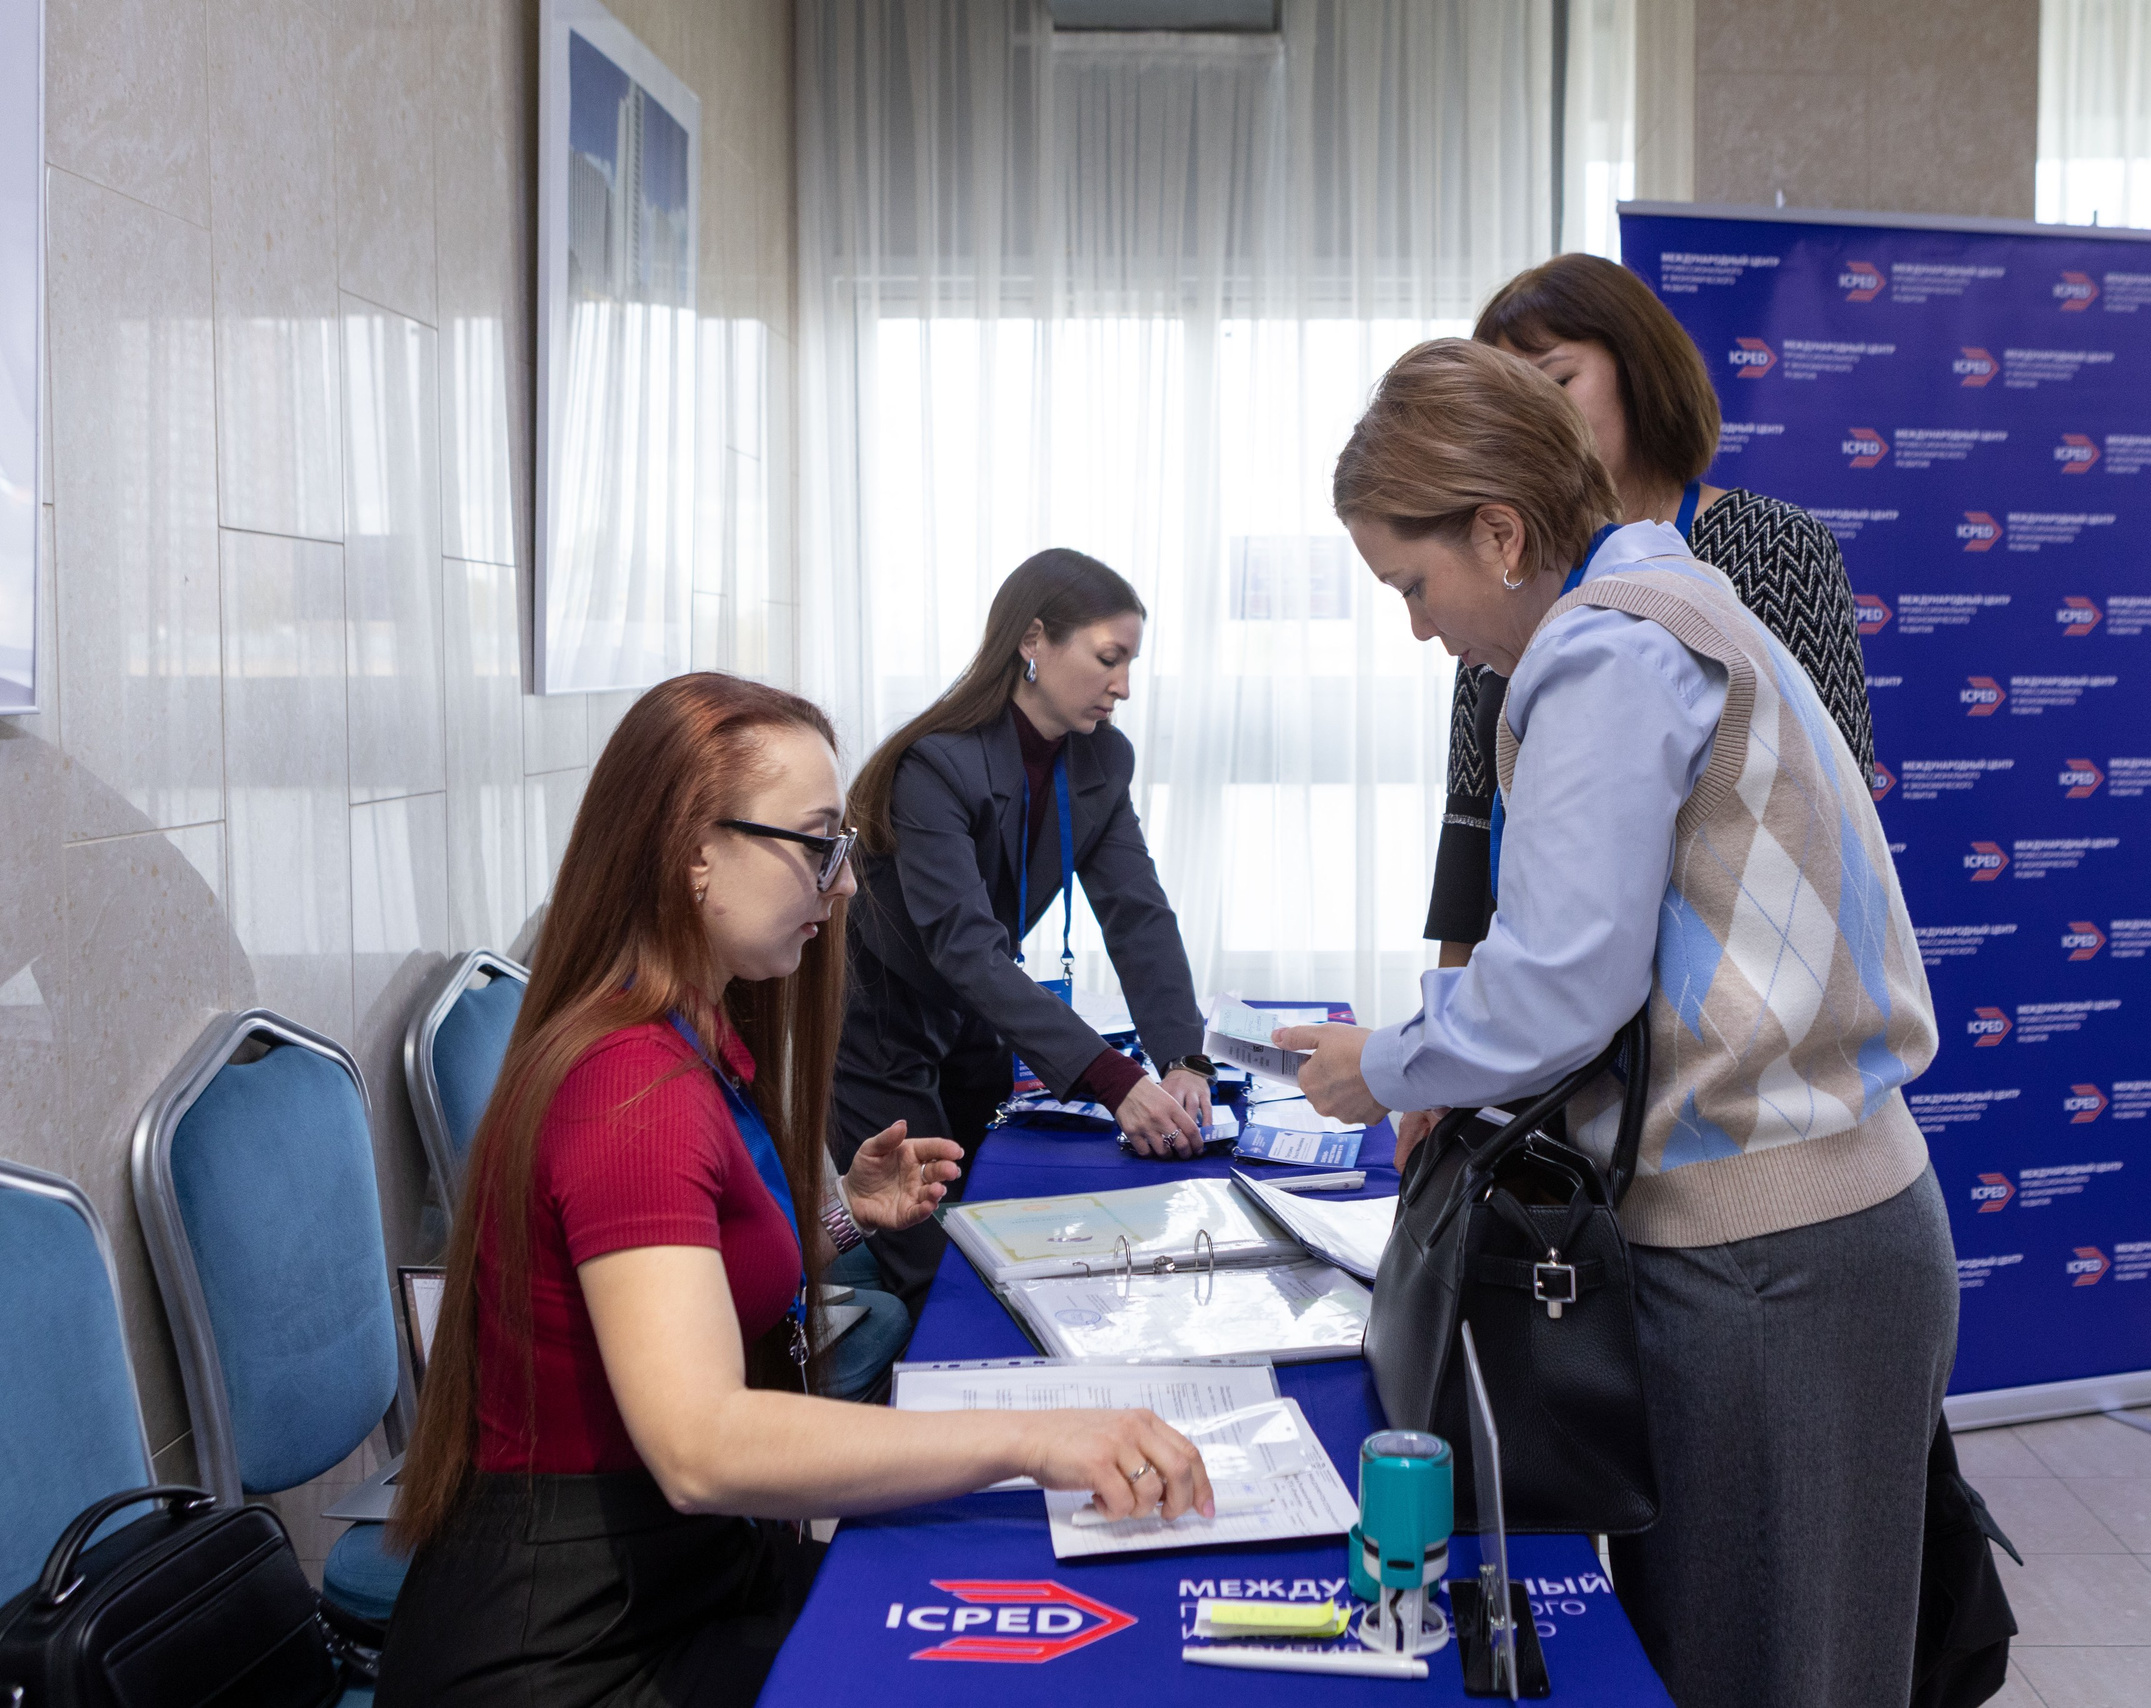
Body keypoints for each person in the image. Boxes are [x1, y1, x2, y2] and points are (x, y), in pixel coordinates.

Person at [1286, 339, 1959, 1708]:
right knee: (1750, 1654)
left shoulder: (1605, 654)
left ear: (1500, 529)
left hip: (1774, 1253)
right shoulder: (1670, 598)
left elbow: (1555, 989)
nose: (1419, 628)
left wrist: (1384, 1065)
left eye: (1415, 586)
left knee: (1763, 1670)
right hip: (1803, 1232)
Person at [381, 673, 1211, 1707]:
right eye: (817, 844)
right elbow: (700, 1445)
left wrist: (838, 1218)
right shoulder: (631, 1092)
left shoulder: (689, 1033)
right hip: (572, 1643)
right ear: (693, 851)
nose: (846, 884)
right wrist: (1036, 1434)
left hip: (680, 1576)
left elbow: (682, 1285)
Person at [1421, 255, 1875, 1086]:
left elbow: (1829, 814)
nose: (1533, 423)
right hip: (1549, 1057)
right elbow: (1471, 826)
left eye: (1556, 382)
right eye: (1506, 403)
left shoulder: (1775, 548)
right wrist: (1444, 1062)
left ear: (1640, 373)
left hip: (1735, 1059)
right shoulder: (1508, 561)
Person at [836, 548, 1215, 1304]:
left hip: (977, 1023)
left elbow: (1138, 915)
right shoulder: (934, 765)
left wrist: (1183, 1058)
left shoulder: (1100, 761)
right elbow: (965, 948)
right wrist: (1115, 1079)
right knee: (934, 1278)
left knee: (998, 1239)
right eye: (1110, 658)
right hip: (886, 1035)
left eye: (1132, 663)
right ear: (1033, 640)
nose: (1124, 687)